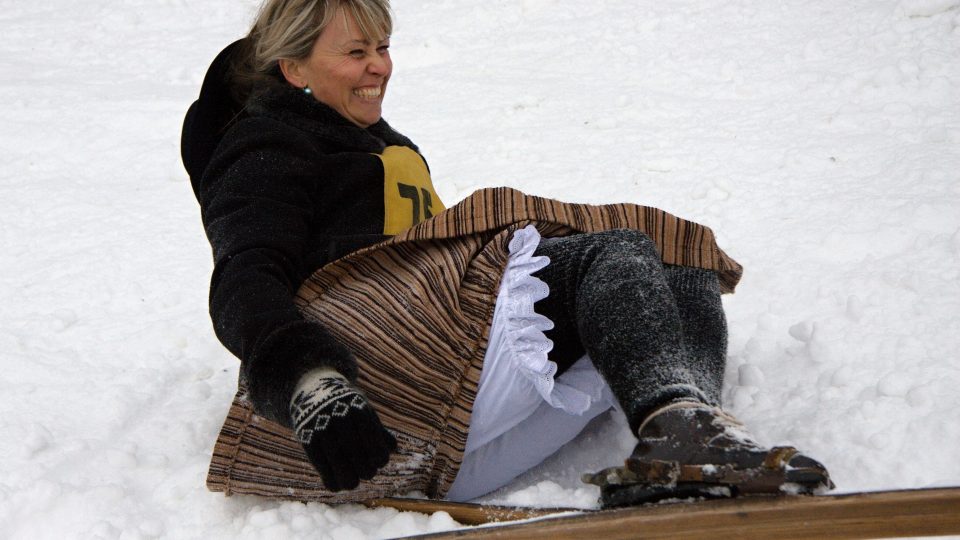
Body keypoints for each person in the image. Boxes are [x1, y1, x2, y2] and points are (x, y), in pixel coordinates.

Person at [181, 0, 833, 507]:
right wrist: (308, 381)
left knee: (672, 261)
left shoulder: (379, 145)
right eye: (356, 51)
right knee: (614, 254)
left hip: (438, 429)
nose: (380, 65)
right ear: (293, 68)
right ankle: (680, 433)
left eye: (383, 47)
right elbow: (245, 274)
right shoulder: (264, 147)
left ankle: (688, 429)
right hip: (356, 406)